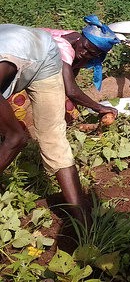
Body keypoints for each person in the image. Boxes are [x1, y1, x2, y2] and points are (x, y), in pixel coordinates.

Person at [1, 24, 88, 221]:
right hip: (15, 45)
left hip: (42, 54)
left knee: (52, 137)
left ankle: (83, 219)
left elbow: (16, 138)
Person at [8, 15, 122, 127]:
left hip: (41, 70)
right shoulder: (63, 47)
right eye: (85, 47)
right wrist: (98, 107)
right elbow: (71, 91)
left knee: (67, 106)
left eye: (91, 53)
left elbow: (70, 80)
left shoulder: (80, 46)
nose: (84, 53)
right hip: (17, 64)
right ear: (82, 38)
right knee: (19, 106)